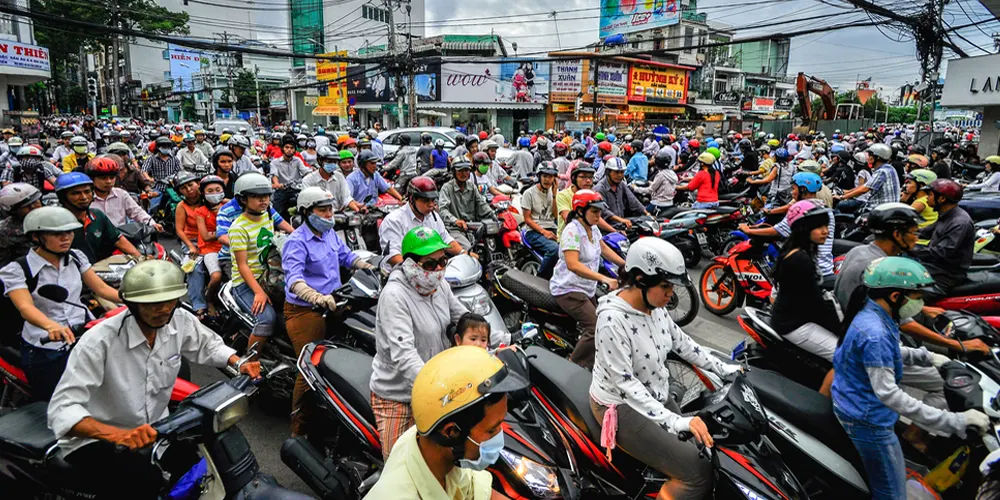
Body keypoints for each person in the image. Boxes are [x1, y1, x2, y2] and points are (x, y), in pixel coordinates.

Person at [46, 260, 260, 498]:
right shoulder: (98, 342)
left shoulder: (178, 320)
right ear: (132, 304)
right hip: (101, 439)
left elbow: (208, 345)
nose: (163, 309)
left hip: (158, 430)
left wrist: (238, 362)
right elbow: (62, 409)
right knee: (144, 484)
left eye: (170, 301)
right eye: (153, 303)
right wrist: (118, 436)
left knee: (202, 470)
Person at [590, 237, 741, 500]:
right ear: (639, 279)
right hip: (621, 406)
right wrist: (676, 421)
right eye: (665, 286)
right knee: (696, 474)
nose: (672, 294)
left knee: (706, 448)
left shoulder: (655, 307)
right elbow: (626, 386)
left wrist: (725, 368)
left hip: (656, 395)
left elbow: (683, 344)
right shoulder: (611, 322)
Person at [832, 257, 989, 500]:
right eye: (917, 296)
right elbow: (889, 395)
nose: (921, 302)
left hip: (854, 404)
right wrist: (955, 421)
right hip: (868, 420)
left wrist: (930, 357)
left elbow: (886, 353)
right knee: (892, 495)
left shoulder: (872, 314)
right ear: (896, 296)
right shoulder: (875, 331)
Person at [363, 345, 527, 500]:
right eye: (492, 430)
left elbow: (473, 489)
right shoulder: (398, 495)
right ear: (451, 432)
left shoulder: (439, 454)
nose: (500, 435)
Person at [369, 227, 469, 460]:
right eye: (430, 264)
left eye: (443, 261)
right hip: (399, 397)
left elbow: (463, 319)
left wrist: (495, 341)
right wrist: (438, 390)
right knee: (400, 470)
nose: (438, 269)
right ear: (410, 264)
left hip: (439, 390)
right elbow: (405, 356)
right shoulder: (395, 296)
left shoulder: (439, 285)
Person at [1, 207, 120, 400]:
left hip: (85, 334)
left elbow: (102, 289)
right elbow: (25, 307)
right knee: (59, 401)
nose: (66, 238)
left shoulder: (75, 257)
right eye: (57, 234)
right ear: (37, 237)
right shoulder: (17, 270)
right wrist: (51, 326)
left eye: (69, 232)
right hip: (47, 346)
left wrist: (136, 299)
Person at [282, 187, 374, 437]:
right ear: (306, 212)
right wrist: (316, 296)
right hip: (305, 310)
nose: (328, 214)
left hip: (334, 304)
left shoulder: (330, 234)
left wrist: (370, 266)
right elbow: (294, 279)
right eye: (322, 210)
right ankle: (298, 431)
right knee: (311, 365)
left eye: (330, 209)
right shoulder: (296, 241)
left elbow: (347, 257)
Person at [553, 190, 625, 369]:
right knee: (595, 328)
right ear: (580, 211)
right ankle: (573, 365)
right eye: (594, 211)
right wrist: (605, 279)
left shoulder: (592, 229)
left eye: (600, 212)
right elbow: (573, 265)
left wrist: (628, 264)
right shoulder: (572, 231)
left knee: (608, 318)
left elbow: (604, 250)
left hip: (586, 288)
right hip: (568, 289)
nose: (598, 215)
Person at [769, 200, 841, 361]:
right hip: (794, 324)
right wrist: (841, 328)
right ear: (804, 228)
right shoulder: (800, 258)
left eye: (826, 226)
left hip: (799, 316)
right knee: (844, 356)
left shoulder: (799, 250)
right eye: (819, 227)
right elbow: (815, 304)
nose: (825, 232)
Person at [229, 174, 279, 352]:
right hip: (245, 284)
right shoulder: (238, 228)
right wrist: (258, 292)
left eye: (266, 196)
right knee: (267, 319)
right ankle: (250, 362)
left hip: (270, 276)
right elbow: (242, 265)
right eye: (257, 197)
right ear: (243, 199)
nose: (263, 200)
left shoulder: (268, 216)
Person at [379, 176, 464, 269]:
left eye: (433, 200)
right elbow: (393, 255)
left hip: (430, 272)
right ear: (411, 199)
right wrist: (416, 270)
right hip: (400, 275)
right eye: (425, 200)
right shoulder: (393, 221)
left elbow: (446, 239)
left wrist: (463, 253)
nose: (431, 205)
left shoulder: (433, 217)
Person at [55, 172, 140, 263]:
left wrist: (140, 259)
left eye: (87, 192)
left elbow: (118, 240)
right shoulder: (56, 221)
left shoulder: (97, 215)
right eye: (76, 193)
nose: (83, 197)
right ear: (63, 197)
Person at [911, 178, 974, 296]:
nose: (926, 198)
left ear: (942, 198)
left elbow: (942, 251)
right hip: (934, 267)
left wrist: (912, 250)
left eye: (929, 195)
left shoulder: (959, 222)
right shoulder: (945, 216)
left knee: (907, 298)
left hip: (946, 275)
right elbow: (925, 231)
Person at [86, 156, 161, 230]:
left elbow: (137, 212)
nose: (108, 181)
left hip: (122, 237)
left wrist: (152, 223)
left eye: (112, 178)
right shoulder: (85, 198)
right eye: (103, 178)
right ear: (92, 179)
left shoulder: (121, 194)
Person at [438, 160, 494, 250]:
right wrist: (456, 221)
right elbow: (443, 210)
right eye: (460, 171)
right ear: (454, 172)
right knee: (467, 249)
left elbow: (481, 203)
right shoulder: (447, 188)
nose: (464, 174)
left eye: (466, 170)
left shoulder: (472, 186)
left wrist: (493, 214)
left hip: (473, 227)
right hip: (454, 229)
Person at [521, 163, 560, 278]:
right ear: (539, 177)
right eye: (545, 176)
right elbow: (527, 219)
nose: (548, 180)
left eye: (551, 177)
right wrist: (544, 232)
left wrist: (554, 195)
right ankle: (541, 278)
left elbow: (555, 215)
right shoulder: (529, 193)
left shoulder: (554, 192)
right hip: (534, 232)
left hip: (552, 228)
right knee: (554, 249)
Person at [836, 143, 900, 213]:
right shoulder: (889, 168)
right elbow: (864, 186)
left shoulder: (882, 171)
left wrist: (841, 197)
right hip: (886, 208)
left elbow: (864, 189)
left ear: (877, 157)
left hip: (878, 209)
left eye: (870, 156)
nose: (868, 158)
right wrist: (844, 193)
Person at [302, 146, 361, 213]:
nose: (332, 164)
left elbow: (346, 197)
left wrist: (357, 207)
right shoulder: (308, 180)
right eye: (329, 161)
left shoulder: (339, 177)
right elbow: (308, 203)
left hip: (338, 215)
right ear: (319, 161)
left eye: (334, 162)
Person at [595, 156, 649, 228]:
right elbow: (604, 211)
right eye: (616, 172)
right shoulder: (600, 188)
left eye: (622, 172)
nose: (620, 175)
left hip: (621, 224)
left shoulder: (621, 184)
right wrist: (621, 220)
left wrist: (647, 213)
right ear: (608, 172)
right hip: (608, 227)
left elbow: (633, 200)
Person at [270, 134, 312, 218]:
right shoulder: (275, 162)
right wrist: (277, 184)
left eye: (292, 148)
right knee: (276, 212)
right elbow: (274, 175)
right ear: (282, 149)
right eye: (287, 147)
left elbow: (305, 171)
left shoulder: (298, 160)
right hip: (282, 190)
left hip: (296, 190)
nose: (289, 150)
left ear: (294, 150)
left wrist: (312, 173)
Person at [0, 183, 42, 266]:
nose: (35, 207)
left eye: (36, 201)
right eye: (28, 206)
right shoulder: (5, 232)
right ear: (14, 210)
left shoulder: (49, 218)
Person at [635, 150, 679, 218]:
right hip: (670, 203)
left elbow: (650, 190)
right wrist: (651, 182)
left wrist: (635, 189)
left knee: (643, 216)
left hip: (658, 204)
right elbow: (664, 185)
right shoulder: (672, 173)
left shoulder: (661, 175)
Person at [142, 136, 182, 209]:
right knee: (153, 207)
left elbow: (180, 171)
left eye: (167, 146)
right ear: (158, 147)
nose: (165, 148)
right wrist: (148, 178)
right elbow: (144, 170)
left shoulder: (174, 158)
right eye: (163, 146)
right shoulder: (151, 159)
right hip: (158, 187)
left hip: (173, 187)